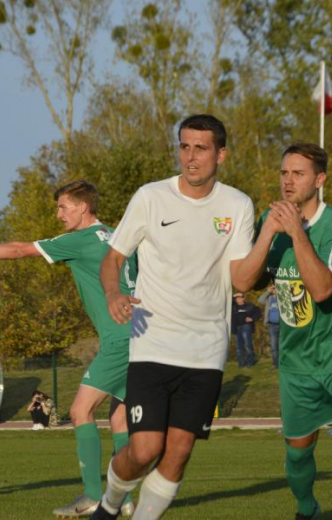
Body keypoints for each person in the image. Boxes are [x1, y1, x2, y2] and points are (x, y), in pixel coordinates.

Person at [0, 180, 138, 518]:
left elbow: (19, 250)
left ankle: (92, 496)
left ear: (83, 208)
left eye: (64, 207)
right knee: (119, 419)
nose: (58, 214)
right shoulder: (119, 235)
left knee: (79, 411)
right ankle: (125, 500)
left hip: (120, 339)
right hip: (140, 335)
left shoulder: (81, 239)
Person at [93, 114, 257, 520]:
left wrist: (267, 239)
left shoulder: (238, 205)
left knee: (179, 452)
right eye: (184, 146)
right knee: (146, 449)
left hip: (207, 350)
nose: (190, 157)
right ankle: (109, 505)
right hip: (153, 342)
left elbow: (241, 278)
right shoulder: (151, 196)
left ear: (221, 154)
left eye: (200, 148)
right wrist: (113, 294)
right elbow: (113, 257)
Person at [239, 143, 332, 520]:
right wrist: (269, 233)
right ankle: (308, 510)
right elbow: (243, 282)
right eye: (284, 173)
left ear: (319, 180)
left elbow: (321, 290)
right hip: (298, 358)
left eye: (298, 173)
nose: (288, 181)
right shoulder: (268, 224)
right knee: (298, 452)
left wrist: (296, 233)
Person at [231, 292, 261, 367]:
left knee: (248, 345)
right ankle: (241, 363)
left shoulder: (249, 306)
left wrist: (252, 318)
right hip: (237, 327)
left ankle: (250, 362)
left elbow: (258, 312)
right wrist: (232, 296)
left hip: (246, 326)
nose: (238, 299)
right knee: (239, 347)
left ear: (244, 298)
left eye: (240, 297)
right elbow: (226, 301)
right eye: (237, 298)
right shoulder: (233, 306)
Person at [258, 284, 281, 368]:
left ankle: (284, 363)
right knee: (274, 346)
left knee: (283, 345)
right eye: (273, 288)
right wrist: (267, 291)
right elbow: (260, 300)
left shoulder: (282, 298)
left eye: (276, 288)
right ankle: (275, 364)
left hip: (282, 325)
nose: (274, 290)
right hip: (271, 325)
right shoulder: (269, 299)